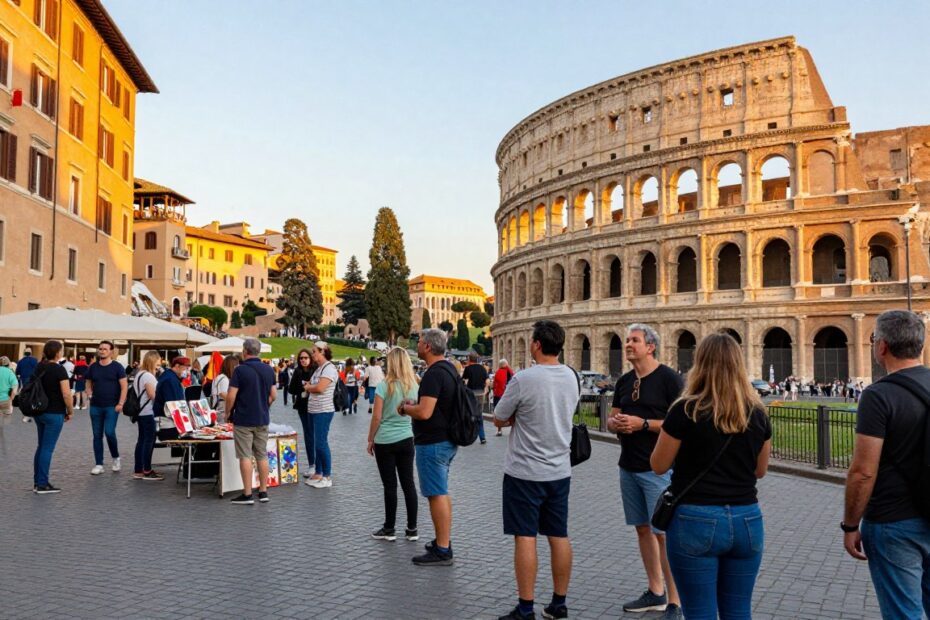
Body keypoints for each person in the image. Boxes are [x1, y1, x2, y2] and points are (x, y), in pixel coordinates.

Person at [650, 333, 772, 619]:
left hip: (695, 518)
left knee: (700, 612)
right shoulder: (756, 413)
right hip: (747, 519)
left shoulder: (685, 409)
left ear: (700, 364)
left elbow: (658, 464)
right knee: (739, 610)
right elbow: (760, 470)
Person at [844, 310, 930, 619]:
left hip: (894, 521)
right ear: (920, 344)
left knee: (904, 613)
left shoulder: (879, 396)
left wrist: (851, 524)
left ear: (882, 347)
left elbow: (863, 471)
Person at [493, 321, 579, 620]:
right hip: (559, 469)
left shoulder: (524, 379)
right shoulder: (571, 376)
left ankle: (526, 607)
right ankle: (559, 602)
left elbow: (500, 418)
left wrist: (521, 416)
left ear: (537, 345)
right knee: (559, 535)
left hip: (524, 471)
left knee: (525, 536)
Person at [607, 323, 684, 618]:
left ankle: (675, 600)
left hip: (659, 469)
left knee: (663, 533)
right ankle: (655, 591)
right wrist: (617, 424)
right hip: (628, 466)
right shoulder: (625, 381)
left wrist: (644, 424)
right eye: (627, 340)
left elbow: (681, 423)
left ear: (650, 346)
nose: (628, 344)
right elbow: (612, 417)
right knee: (642, 529)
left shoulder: (669, 380)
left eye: (634, 340)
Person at [398, 328, 459, 566]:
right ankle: (442, 540)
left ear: (429, 347)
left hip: (433, 442)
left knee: (436, 494)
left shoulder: (434, 373)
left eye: (420, 341)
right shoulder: (449, 369)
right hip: (445, 439)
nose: (418, 344)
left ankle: (443, 549)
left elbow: (425, 412)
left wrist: (406, 409)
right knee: (440, 492)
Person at [367, 347, 420, 543]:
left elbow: (377, 416)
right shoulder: (414, 386)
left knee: (390, 485)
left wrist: (370, 438)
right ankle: (412, 528)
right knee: (408, 484)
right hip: (406, 437)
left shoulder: (383, 386)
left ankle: (389, 528)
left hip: (385, 440)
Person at [225, 338, 277, 505]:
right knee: (262, 455)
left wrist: (227, 412)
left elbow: (231, 395)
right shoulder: (269, 370)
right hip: (262, 418)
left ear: (245, 351)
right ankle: (263, 491)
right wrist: (264, 405)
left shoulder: (240, 370)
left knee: (245, 456)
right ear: (258, 351)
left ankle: (247, 494)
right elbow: (273, 395)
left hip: (244, 419)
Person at [32, 340, 73, 493]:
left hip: (39, 411)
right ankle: (42, 484)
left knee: (41, 446)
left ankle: (37, 481)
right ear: (58, 353)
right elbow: (66, 393)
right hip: (54, 412)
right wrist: (70, 410)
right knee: (47, 448)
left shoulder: (39, 367)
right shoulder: (59, 370)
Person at [85, 340, 128, 475]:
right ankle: (99, 464)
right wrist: (90, 395)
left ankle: (116, 457)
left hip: (112, 406)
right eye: (100, 348)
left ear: (111, 351)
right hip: (96, 406)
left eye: (105, 349)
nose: (102, 351)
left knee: (109, 432)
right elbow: (88, 382)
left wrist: (120, 403)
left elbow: (124, 386)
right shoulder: (93, 367)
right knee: (97, 435)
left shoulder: (117, 367)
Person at [305, 341, 338, 488]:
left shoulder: (329, 368)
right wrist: (310, 386)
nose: (313, 354)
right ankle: (318, 472)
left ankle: (327, 475)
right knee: (317, 443)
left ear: (323, 351)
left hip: (323, 410)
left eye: (314, 352)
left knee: (321, 443)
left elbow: (320, 388)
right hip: (315, 410)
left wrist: (308, 387)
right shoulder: (319, 369)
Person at [132, 351, 163, 481]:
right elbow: (152, 395)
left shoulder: (139, 374)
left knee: (142, 440)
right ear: (152, 361)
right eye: (157, 362)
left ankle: (138, 469)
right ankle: (147, 470)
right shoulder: (149, 376)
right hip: (148, 412)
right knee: (149, 441)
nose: (159, 364)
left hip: (140, 412)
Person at [288, 348, 317, 479]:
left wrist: (310, 387)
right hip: (303, 406)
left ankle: (319, 465)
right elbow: (291, 389)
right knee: (308, 435)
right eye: (301, 358)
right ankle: (312, 464)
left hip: (316, 406)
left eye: (305, 358)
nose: (303, 360)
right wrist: (303, 387)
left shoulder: (316, 370)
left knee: (317, 436)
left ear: (310, 359)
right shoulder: (297, 371)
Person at [152, 356, 190, 427]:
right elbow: (173, 403)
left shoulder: (172, 377)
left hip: (169, 420)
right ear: (177, 366)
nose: (187, 371)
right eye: (186, 368)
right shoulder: (170, 380)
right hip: (167, 421)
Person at [462, 351, 489, 444]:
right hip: (481, 394)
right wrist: (485, 389)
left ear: (469, 359)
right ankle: (482, 437)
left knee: (469, 414)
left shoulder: (468, 369)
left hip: (471, 394)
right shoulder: (482, 368)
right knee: (479, 415)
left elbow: (464, 381)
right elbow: (487, 381)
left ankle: (468, 435)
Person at [211, 355, 239, 424]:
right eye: (236, 365)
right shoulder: (224, 379)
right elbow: (224, 394)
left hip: (221, 410)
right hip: (221, 411)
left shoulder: (223, 377)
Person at [493, 359, 515, 436]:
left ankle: (499, 430)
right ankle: (513, 428)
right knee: (512, 411)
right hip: (509, 394)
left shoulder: (498, 372)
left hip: (499, 394)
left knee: (499, 412)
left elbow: (494, 384)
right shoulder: (509, 372)